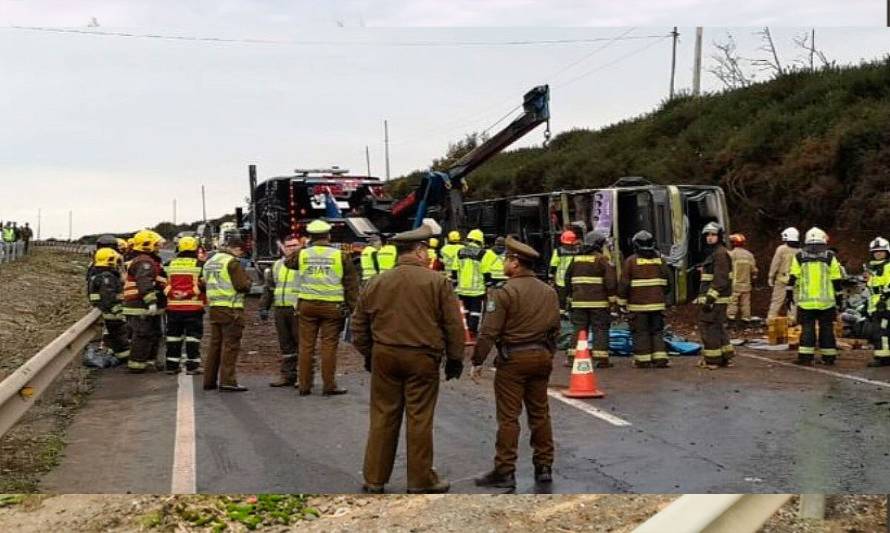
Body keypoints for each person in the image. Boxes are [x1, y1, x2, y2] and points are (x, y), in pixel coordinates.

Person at [353, 225, 465, 494]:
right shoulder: (437, 282)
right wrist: (455, 358)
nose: (428, 255)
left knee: (382, 415)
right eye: (426, 250)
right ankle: (420, 480)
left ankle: (374, 479)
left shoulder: (376, 282)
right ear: (419, 250)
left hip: (385, 355)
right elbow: (453, 325)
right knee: (419, 418)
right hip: (422, 357)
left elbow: (358, 325)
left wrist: (370, 354)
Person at [470, 236, 560, 490]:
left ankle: (505, 470)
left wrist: (477, 360)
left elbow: (488, 332)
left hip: (513, 359)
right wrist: (547, 354)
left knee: (509, 417)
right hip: (542, 356)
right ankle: (544, 467)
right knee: (540, 413)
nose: (502, 262)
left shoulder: (503, 292)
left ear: (516, 263)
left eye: (506, 259)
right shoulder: (548, 292)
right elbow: (555, 328)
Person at [285, 219, 359, 395]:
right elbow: (351, 284)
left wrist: (304, 247)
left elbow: (288, 262)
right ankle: (329, 385)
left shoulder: (302, 255)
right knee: (329, 346)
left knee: (306, 346)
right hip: (332, 307)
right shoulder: (340, 255)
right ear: (328, 236)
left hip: (307, 305)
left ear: (310, 237)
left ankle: (304, 385)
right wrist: (352, 307)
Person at [202, 232, 253, 391]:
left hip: (215, 308)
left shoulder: (210, 262)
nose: (242, 255)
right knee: (230, 346)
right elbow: (242, 286)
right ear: (236, 249)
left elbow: (203, 284)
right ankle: (227, 381)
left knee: (215, 345)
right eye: (241, 252)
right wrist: (249, 282)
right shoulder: (232, 262)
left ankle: (209, 380)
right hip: (231, 309)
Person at [789, 227, 843, 366]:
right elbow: (836, 279)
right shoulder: (830, 256)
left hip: (806, 302)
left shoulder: (800, 256)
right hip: (827, 302)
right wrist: (839, 298)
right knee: (827, 329)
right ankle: (829, 357)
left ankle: (805, 358)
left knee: (807, 329)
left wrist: (788, 294)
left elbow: (793, 276)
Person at [618, 230, 672, 368]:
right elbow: (669, 282)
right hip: (657, 305)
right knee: (657, 331)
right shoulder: (660, 261)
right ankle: (660, 358)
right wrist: (660, 296)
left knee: (640, 332)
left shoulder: (631, 261)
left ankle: (643, 360)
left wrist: (621, 303)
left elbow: (624, 284)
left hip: (638, 306)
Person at [566, 231, 617, 368]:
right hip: (598, 303)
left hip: (578, 302)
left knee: (579, 328)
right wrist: (612, 300)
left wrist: (570, 297)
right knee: (600, 329)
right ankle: (600, 359)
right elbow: (610, 281)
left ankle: (573, 357)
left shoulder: (576, 259)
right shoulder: (602, 260)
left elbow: (567, 278)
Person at [122, 230, 167, 373]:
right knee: (143, 334)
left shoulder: (147, 260)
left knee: (152, 334)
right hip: (139, 305)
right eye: (156, 245)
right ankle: (136, 366)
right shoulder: (144, 262)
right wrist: (151, 301)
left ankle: (147, 362)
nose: (158, 247)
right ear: (147, 245)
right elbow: (144, 281)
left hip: (141, 304)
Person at [260, 234, 302, 387]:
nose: (292, 248)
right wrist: (264, 307)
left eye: (295, 245)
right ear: (284, 247)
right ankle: (288, 376)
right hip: (280, 309)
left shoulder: (304, 263)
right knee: (286, 345)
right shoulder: (277, 265)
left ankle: (303, 377)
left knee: (302, 344)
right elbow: (269, 288)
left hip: (297, 309)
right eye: (289, 246)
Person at [163, 236, 206, 375]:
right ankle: (192, 366)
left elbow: (162, 284)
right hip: (193, 308)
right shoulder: (200, 265)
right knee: (192, 338)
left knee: (173, 337)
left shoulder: (169, 263)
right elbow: (205, 284)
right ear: (195, 248)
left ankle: (171, 366)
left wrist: (174, 294)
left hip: (173, 308)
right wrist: (188, 293)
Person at [696, 222, 734, 369]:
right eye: (707, 235)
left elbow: (720, 279)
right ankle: (725, 357)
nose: (709, 238)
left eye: (713, 235)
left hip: (715, 299)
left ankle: (713, 360)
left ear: (719, 237)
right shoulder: (716, 253)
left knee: (708, 327)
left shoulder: (720, 254)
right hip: (718, 298)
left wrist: (709, 299)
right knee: (718, 327)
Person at [87, 247, 130, 362]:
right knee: (119, 336)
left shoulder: (96, 274)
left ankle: (116, 355)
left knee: (113, 336)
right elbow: (108, 296)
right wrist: (117, 310)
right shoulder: (107, 276)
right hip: (111, 312)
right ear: (110, 260)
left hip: (104, 310)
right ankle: (124, 358)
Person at [455, 229, 488, 336]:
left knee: (466, 311)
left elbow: (455, 269)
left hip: (463, 288)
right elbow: (486, 271)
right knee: (476, 312)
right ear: (480, 240)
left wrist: (456, 284)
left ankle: (465, 331)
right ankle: (473, 331)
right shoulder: (483, 253)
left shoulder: (460, 252)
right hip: (477, 290)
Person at [866, 237, 890, 367]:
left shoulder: (888, 266)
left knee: (881, 332)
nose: (878, 253)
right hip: (877, 306)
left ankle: (883, 358)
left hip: (886, 306)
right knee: (880, 331)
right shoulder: (874, 268)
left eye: (881, 251)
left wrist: (883, 299)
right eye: (876, 251)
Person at [768, 227, 800, 323]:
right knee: (793, 302)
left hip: (781, 280)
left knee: (777, 301)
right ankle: (791, 321)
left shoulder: (781, 249)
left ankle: (771, 321)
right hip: (795, 281)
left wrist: (771, 276)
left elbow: (775, 263)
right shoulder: (800, 251)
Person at [727, 233, 758, 323]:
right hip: (746, 284)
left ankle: (731, 319)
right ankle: (745, 319)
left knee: (732, 302)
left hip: (735, 284)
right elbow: (754, 270)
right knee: (746, 303)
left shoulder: (731, 254)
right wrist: (754, 280)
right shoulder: (749, 255)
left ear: (733, 243)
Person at [549, 230, 580, 313]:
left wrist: (551, 276)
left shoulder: (558, 251)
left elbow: (553, 265)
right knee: (573, 295)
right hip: (574, 277)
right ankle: (572, 310)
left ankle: (562, 313)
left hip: (561, 278)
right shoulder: (578, 251)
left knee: (561, 297)